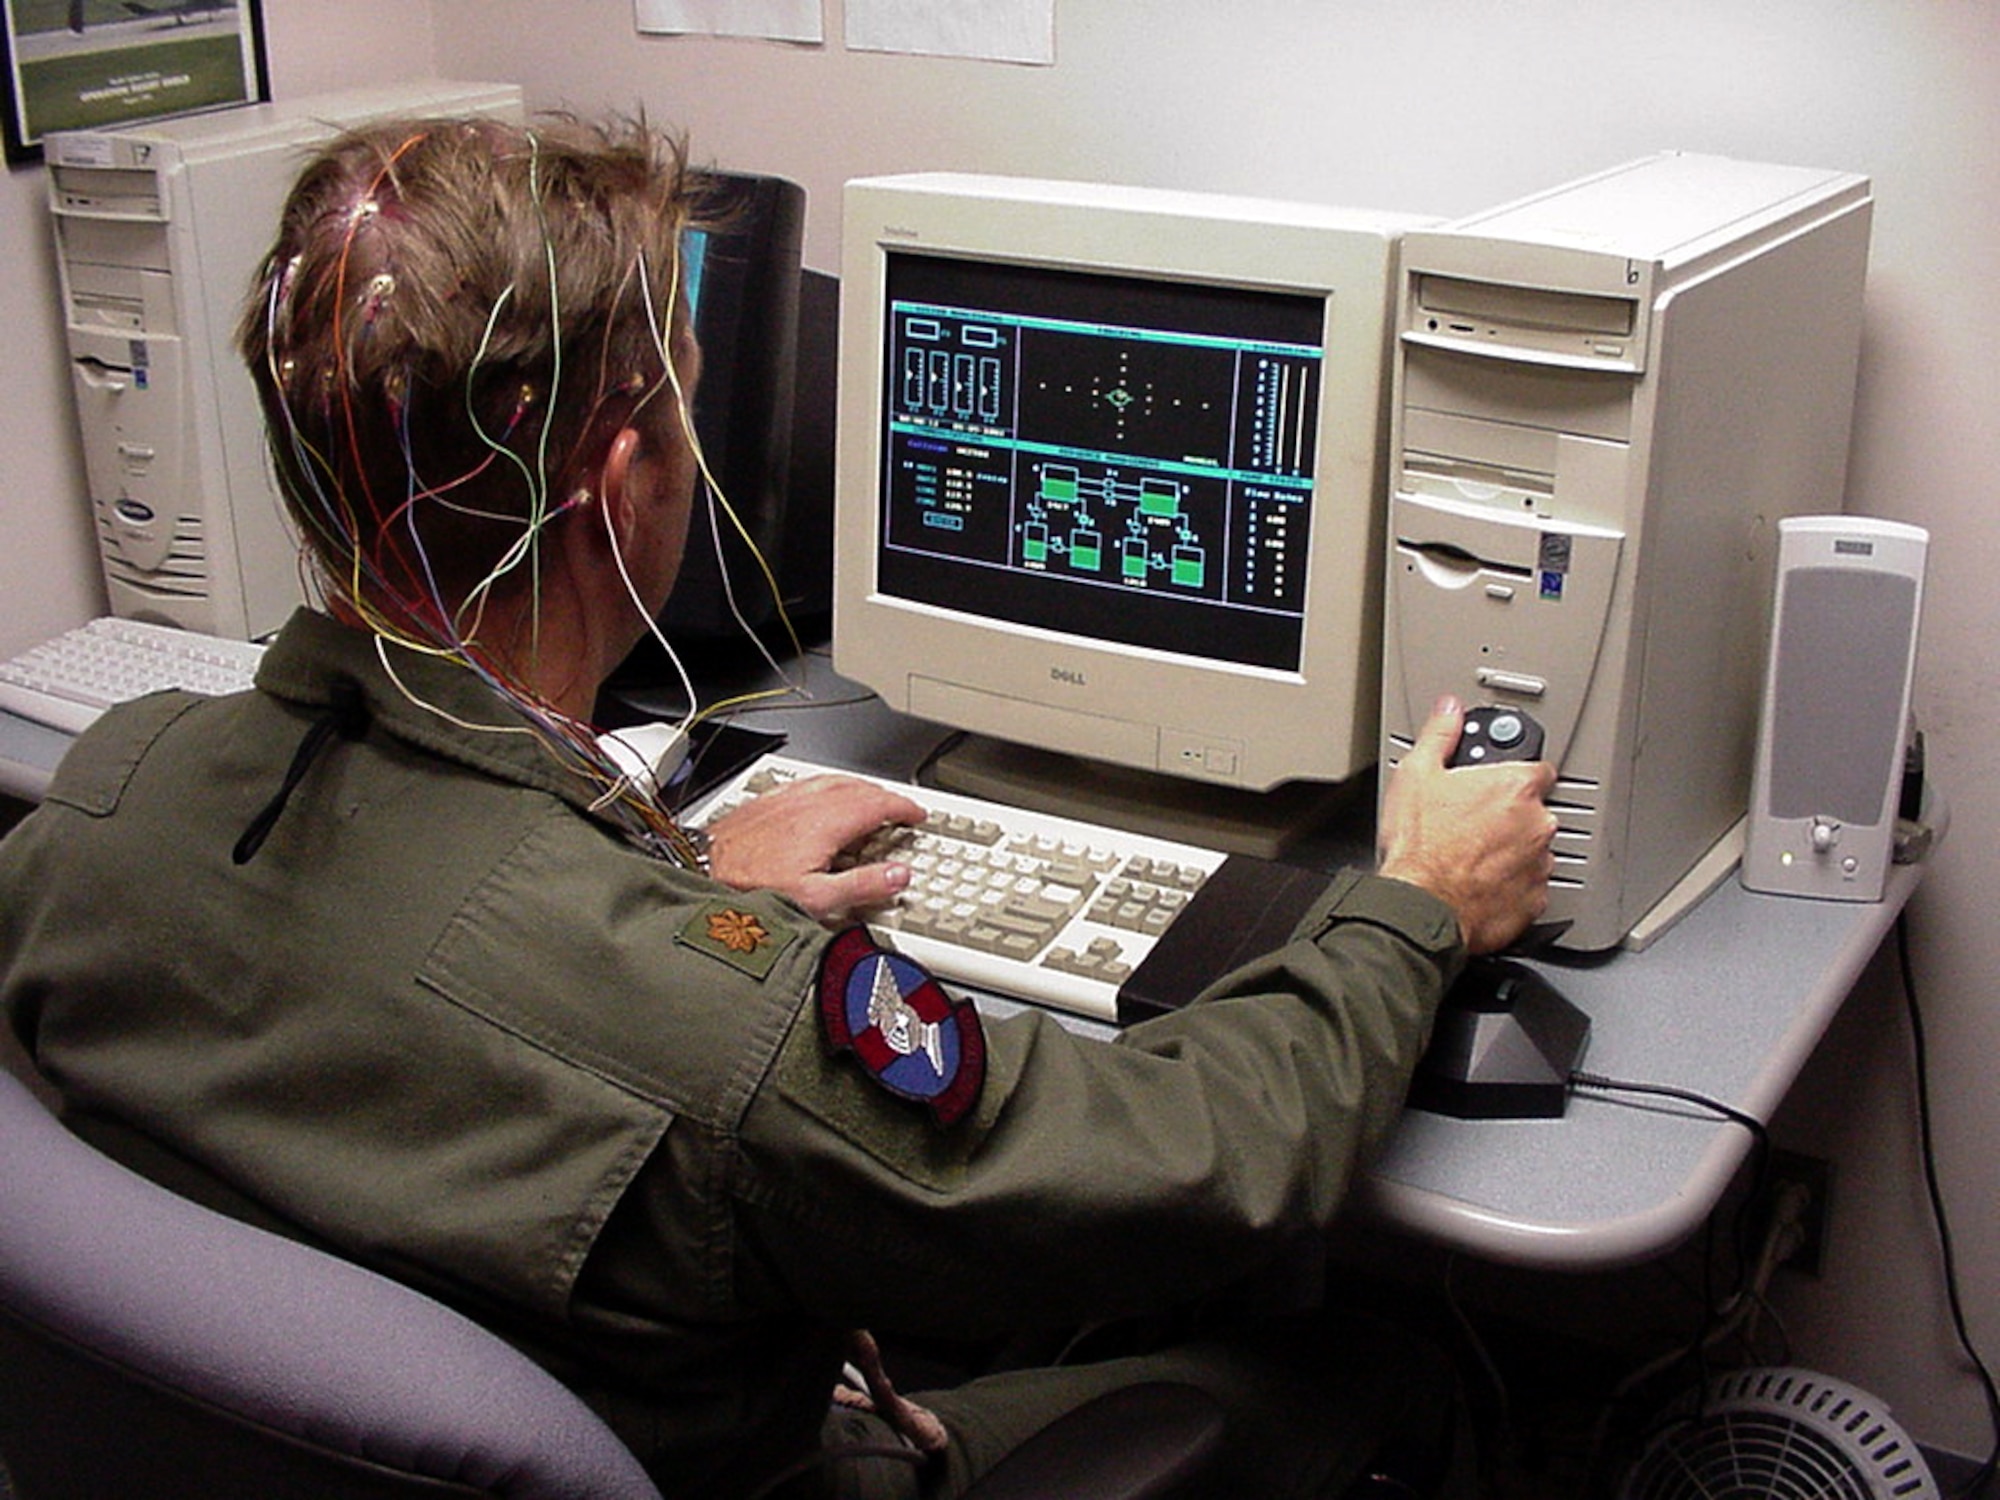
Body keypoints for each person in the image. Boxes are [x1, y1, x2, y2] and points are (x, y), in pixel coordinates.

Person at [0, 115, 1558, 1498]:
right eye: (682, 403)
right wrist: (1416, 903)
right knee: (1354, 1356)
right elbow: (1208, 1150)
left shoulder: (106, 792)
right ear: (625, 480)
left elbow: (433, 980)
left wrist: (669, 878)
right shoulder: (731, 1031)